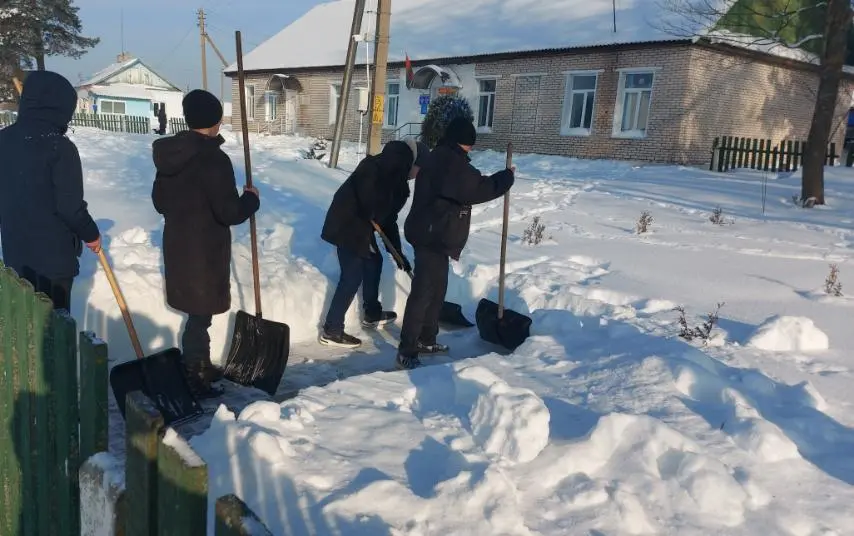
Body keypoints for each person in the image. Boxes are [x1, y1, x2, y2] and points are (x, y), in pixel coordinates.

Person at [151, 89, 260, 397]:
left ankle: (200, 362)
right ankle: (194, 373)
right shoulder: (214, 159)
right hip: (205, 249)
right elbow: (229, 212)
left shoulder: (169, 156)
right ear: (214, 121)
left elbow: (160, 202)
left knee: (198, 311)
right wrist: (251, 200)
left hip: (178, 244)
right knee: (200, 313)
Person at [397, 117, 515, 370]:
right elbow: (476, 188)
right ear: (462, 142)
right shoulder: (448, 162)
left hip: (435, 235)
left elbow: (469, 183)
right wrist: (505, 178)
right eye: (469, 144)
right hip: (431, 236)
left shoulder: (444, 157)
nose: (470, 149)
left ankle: (427, 339)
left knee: (437, 289)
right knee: (423, 292)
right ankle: (407, 350)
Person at [0, 70, 101, 313]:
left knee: (24, 322)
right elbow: (70, 207)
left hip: (15, 256)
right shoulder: (60, 147)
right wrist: (91, 234)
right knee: (54, 326)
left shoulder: (3, 140)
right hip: (53, 261)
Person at [318, 138, 429, 348]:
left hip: (362, 226)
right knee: (352, 276)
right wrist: (371, 207)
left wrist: (398, 254)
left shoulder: (399, 182)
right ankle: (332, 330)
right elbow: (364, 190)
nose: (419, 175)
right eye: (420, 169)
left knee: (374, 261)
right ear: (414, 163)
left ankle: (372, 313)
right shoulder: (378, 165)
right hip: (347, 223)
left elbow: (388, 221)